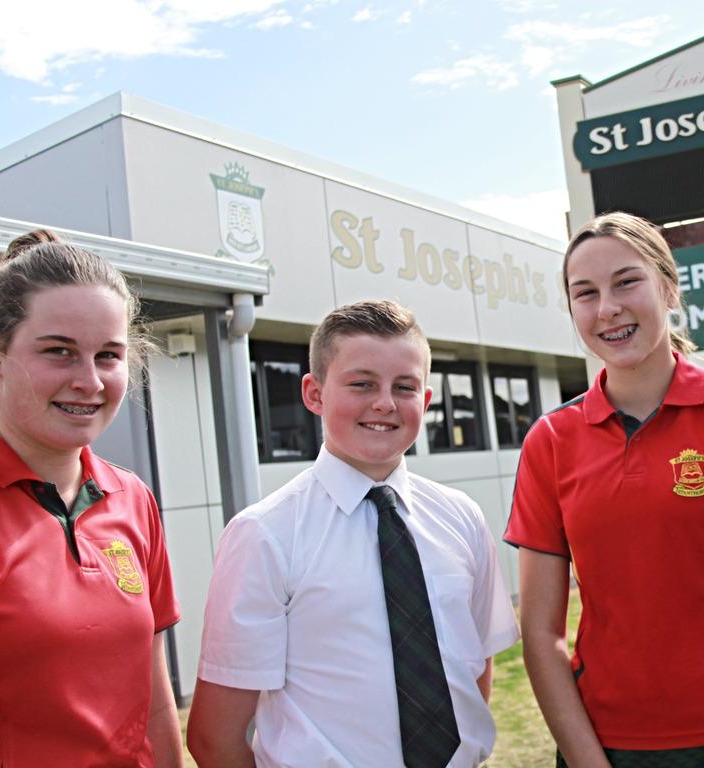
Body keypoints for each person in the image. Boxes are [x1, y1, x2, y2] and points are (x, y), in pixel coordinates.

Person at [505, 212, 704, 768]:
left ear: (668, 288)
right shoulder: (549, 441)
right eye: (585, 293)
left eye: (627, 281)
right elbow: (541, 633)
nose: (608, 309)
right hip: (602, 746)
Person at [187, 299, 519, 768]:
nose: (384, 402)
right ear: (314, 393)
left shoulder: (460, 517)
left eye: (404, 387)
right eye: (362, 383)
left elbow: (474, 667)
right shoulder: (264, 535)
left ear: (425, 401)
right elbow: (214, 738)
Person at [0, 230, 183, 767]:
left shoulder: (131, 498)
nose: (89, 381)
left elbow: (154, 700)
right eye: (59, 351)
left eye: (108, 355)